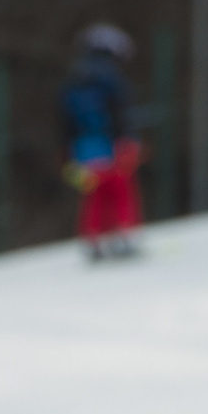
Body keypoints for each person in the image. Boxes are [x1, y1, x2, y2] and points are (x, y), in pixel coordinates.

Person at [60, 23, 143, 261]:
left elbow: (64, 119)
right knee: (121, 191)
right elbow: (120, 112)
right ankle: (124, 235)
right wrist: (126, 141)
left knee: (94, 196)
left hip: (83, 150)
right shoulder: (112, 78)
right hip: (110, 145)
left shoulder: (72, 79)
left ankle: (94, 240)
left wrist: (66, 153)